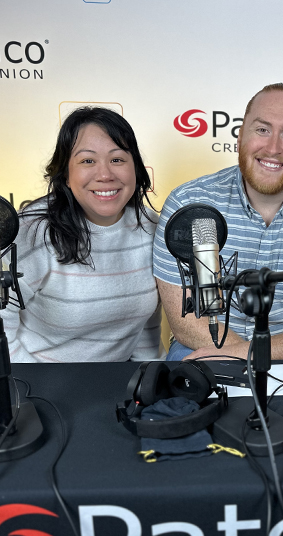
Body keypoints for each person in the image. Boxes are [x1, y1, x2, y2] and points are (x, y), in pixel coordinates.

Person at [154, 83, 283, 360]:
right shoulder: (188, 203)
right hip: (207, 345)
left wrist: (261, 357)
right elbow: (186, 323)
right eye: (262, 130)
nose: (273, 147)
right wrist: (261, 360)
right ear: (240, 137)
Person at [1, 107, 165, 363]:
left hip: (119, 384)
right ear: (66, 174)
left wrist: (149, 383)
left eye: (117, 159)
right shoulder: (32, 232)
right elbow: (2, 322)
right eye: (87, 161)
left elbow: (145, 329)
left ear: (136, 168)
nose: (105, 175)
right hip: (38, 383)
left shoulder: (152, 228)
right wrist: (25, 389)